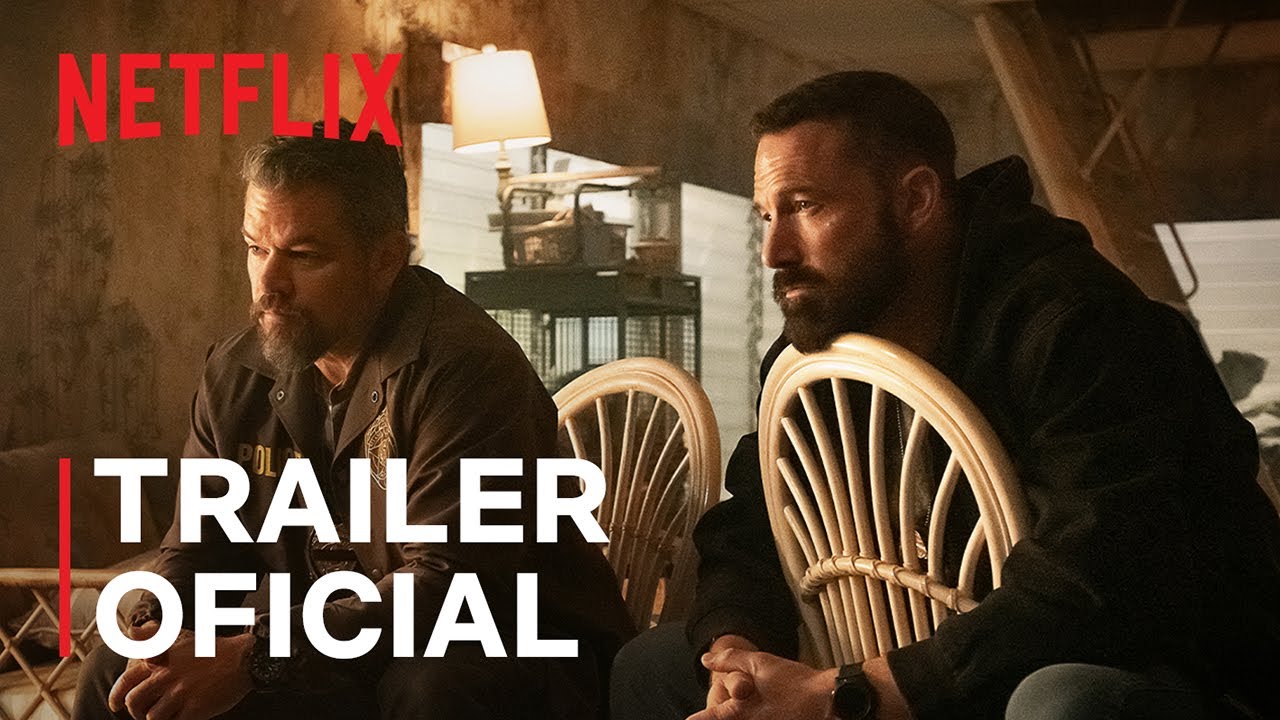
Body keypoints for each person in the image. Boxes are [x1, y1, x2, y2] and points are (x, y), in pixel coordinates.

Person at [610, 71, 1280, 720]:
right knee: (653, 666)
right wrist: (736, 656)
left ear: (916, 201)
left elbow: (1097, 583)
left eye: (807, 206)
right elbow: (752, 525)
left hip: (1153, 669)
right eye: (766, 215)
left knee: (1062, 701)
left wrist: (849, 693)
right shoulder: (818, 350)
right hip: (922, 658)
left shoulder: (1080, 325)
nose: (773, 251)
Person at [74, 119, 634, 720]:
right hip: (332, 645)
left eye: (304, 256)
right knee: (118, 667)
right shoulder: (236, 370)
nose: (269, 283)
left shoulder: (467, 367)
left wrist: (255, 656)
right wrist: (156, 628)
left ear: (385, 259)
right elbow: (199, 548)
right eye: (256, 248)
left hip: (503, 644)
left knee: (426, 683)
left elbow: (448, 584)